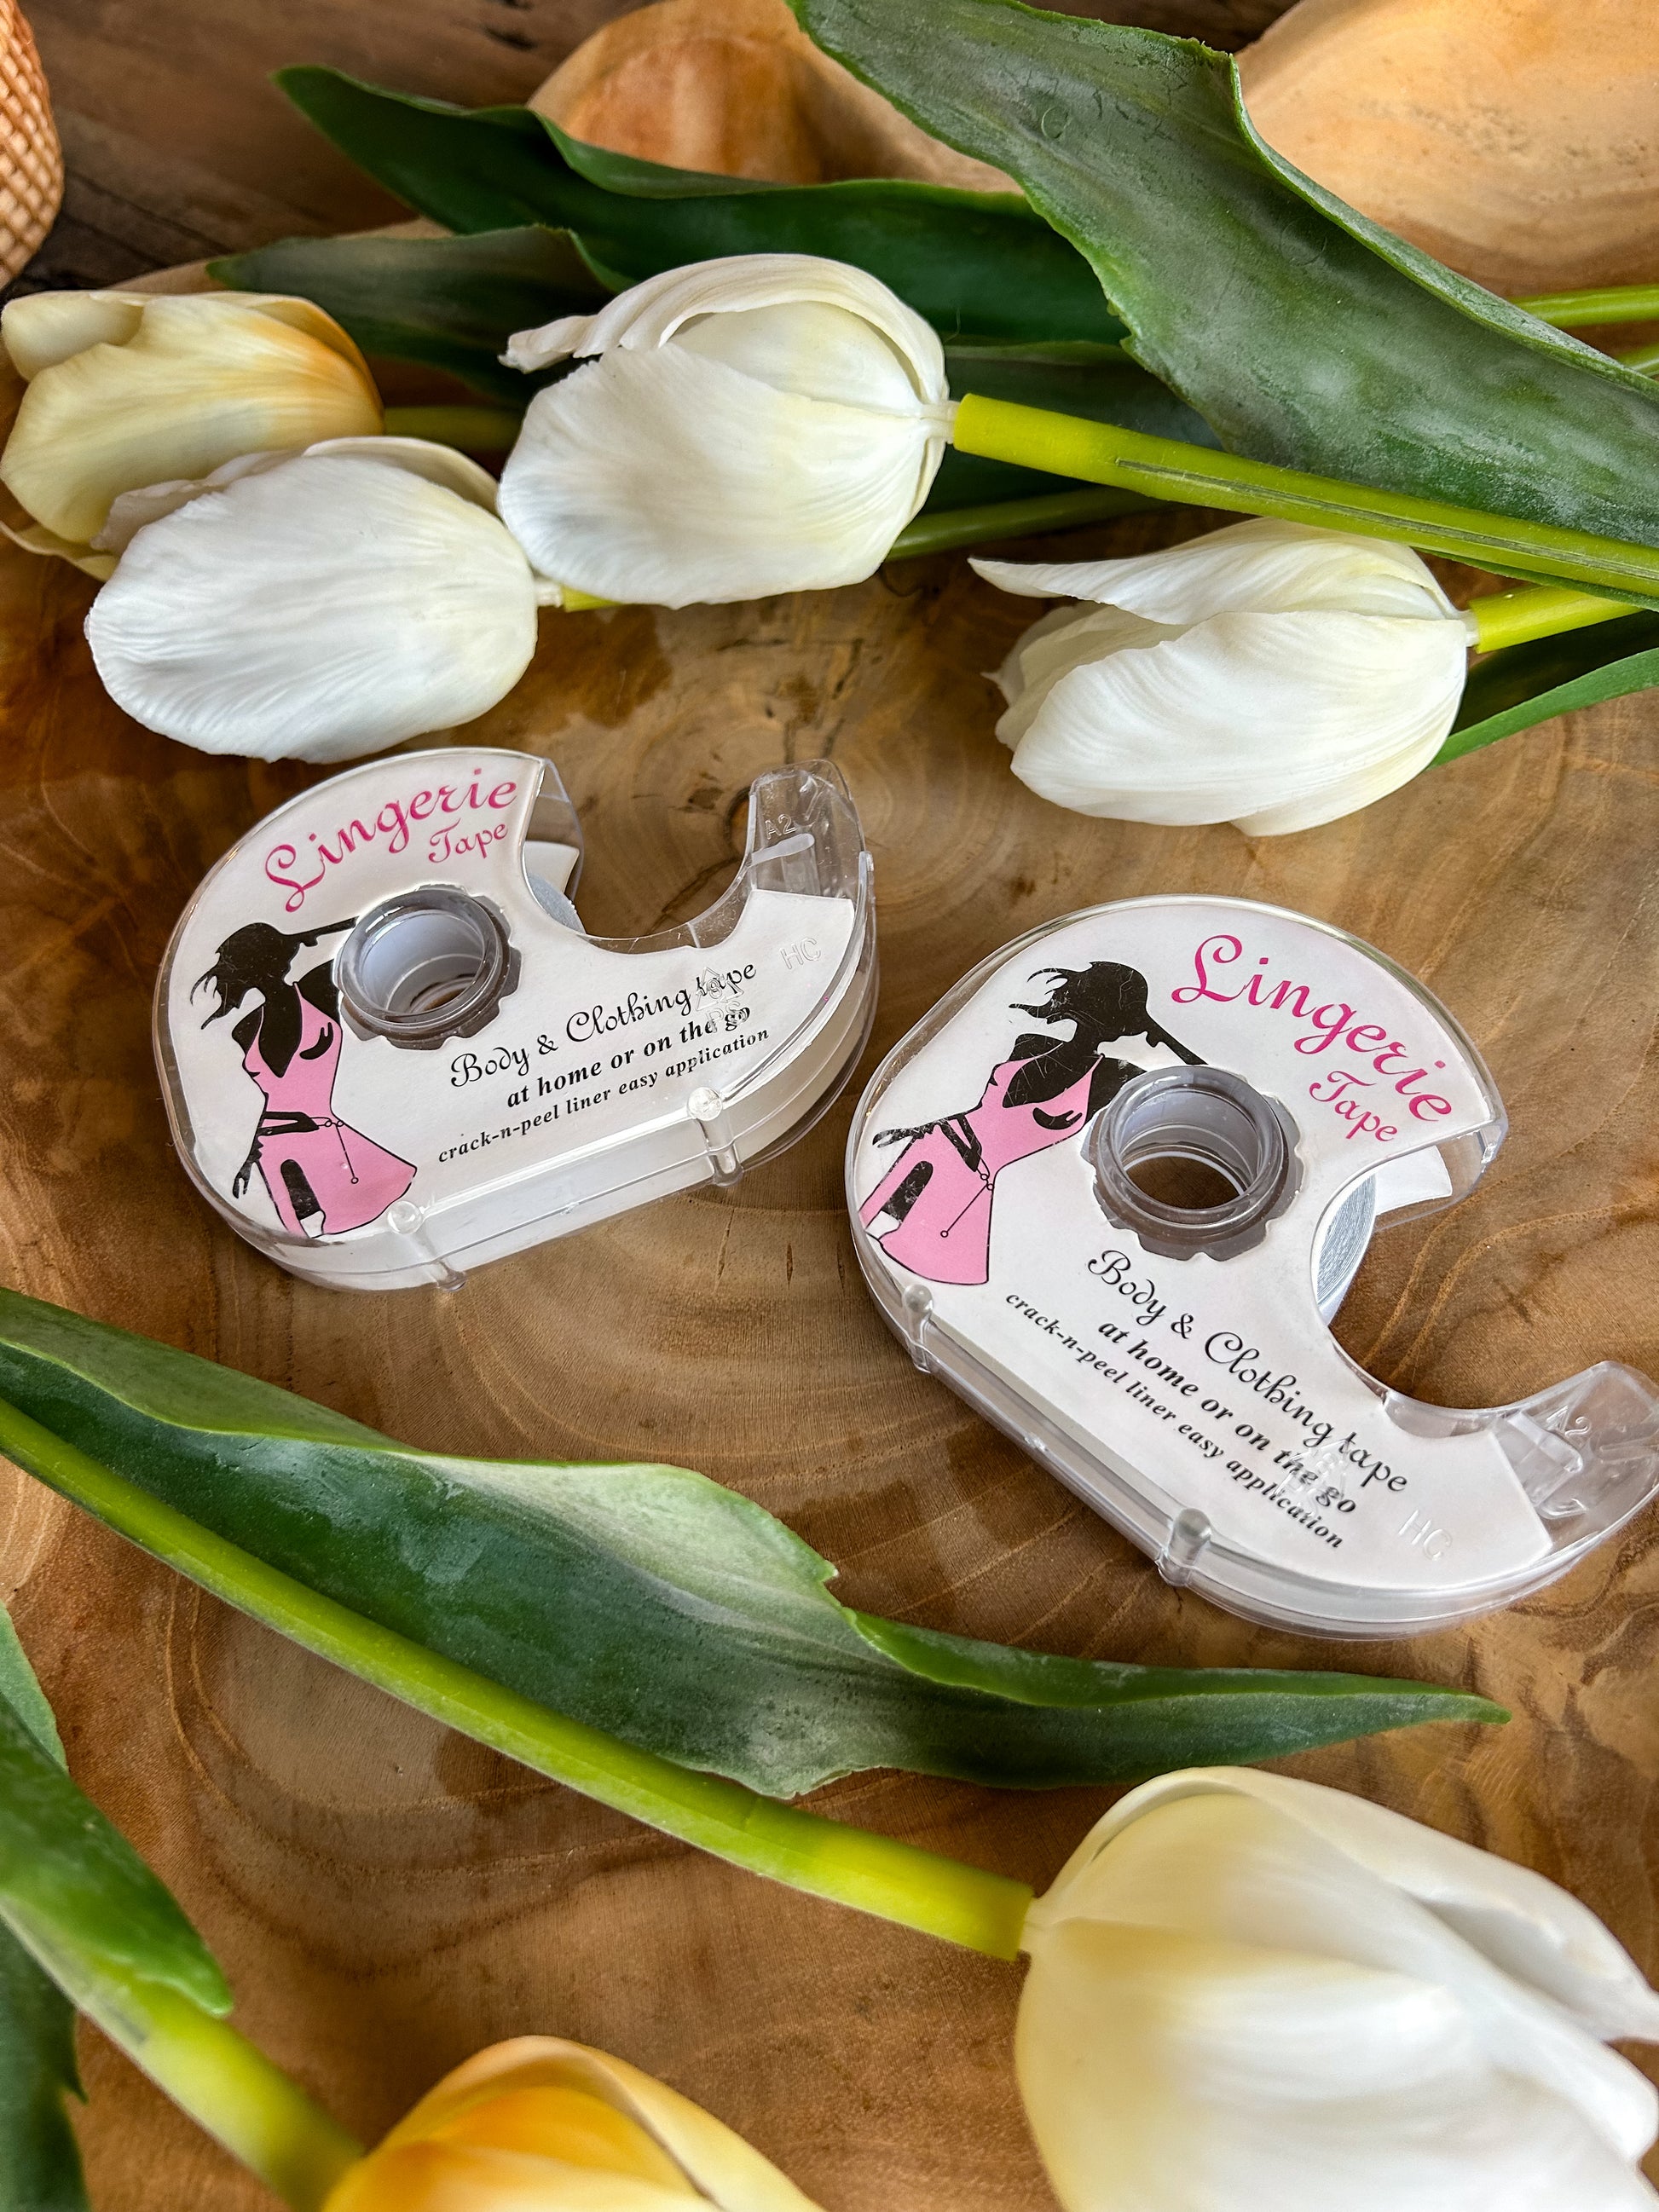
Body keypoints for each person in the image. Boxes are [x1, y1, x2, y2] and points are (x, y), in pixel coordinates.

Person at [858, 960, 1199, 1285]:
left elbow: (1199, 1080)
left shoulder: (1112, 1076)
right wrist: (917, 1129)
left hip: (976, 1175)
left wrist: (1157, 1032)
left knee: (923, 1260)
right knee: (870, 1239)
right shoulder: (1030, 1044)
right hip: (938, 1143)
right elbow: (983, 1114)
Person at [194, 921, 415, 1239]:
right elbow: (263, 1101)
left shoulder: (317, 991)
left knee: (357, 1220)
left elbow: (368, 935)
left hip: (323, 1136)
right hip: (271, 1147)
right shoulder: (246, 1029)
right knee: (303, 1235)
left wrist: (309, 931)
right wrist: (248, 1156)